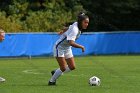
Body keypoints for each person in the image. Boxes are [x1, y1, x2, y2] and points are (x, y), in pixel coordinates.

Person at [48, 12, 89, 85]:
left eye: (87, 23)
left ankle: (56, 72)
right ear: (81, 22)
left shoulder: (76, 24)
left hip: (67, 48)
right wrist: (81, 47)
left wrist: (63, 30)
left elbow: (68, 28)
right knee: (63, 68)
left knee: (72, 67)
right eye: (85, 22)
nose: (87, 24)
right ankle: (52, 81)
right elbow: (71, 43)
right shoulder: (75, 30)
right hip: (59, 47)